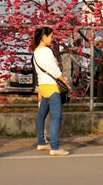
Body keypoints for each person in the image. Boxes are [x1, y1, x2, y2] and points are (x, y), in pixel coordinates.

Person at [32, 27, 71, 156]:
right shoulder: (47, 51)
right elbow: (54, 69)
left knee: (41, 115)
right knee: (56, 116)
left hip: (43, 86)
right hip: (52, 86)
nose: (52, 39)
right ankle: (54, 147)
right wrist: (64, 80)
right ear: (44, 37)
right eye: (51, 37)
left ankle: (41, 143)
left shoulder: (36, 52)